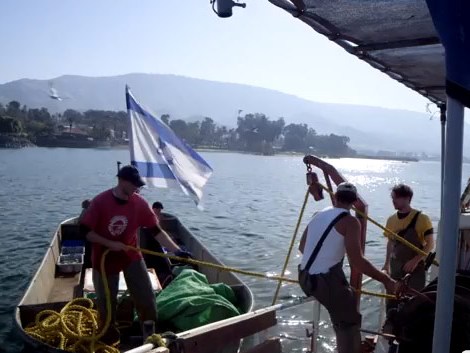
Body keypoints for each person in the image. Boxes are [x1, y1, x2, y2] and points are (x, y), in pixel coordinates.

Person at [79, 165, 183, 344]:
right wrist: (111, 244)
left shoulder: (140, 203)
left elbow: (156, 231)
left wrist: (177, 250)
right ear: (121, 181)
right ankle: (109, 339)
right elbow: (85, 231)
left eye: (139, 185)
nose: (137, 188)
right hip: (104, 260)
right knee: (106, 302)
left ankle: (149, 335)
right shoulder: (100, 202)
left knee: (146, 295)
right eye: (134, 184)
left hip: (131, 255)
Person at [298, 182, 397, 353]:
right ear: (353, 202)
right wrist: (386, 280)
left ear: (335, 197)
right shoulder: (350, 222)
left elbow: (302, 247)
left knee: (346, 301)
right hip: (323, 282)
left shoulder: (317, 214)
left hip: (304, 278)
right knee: (350, 322)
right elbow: (357, 261)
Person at [382, 183, 434, 315]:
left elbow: (430, 245)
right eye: (392, 197)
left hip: (415, 272)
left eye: (396, 198)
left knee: (413, 305)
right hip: (395, 269)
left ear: (407, 198)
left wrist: (415, 261)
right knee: (392, 304)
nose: (393, 201)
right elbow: (390, 243)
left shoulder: (422, 219)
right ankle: (391, 332)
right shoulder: (391, 220)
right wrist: (386, 265)